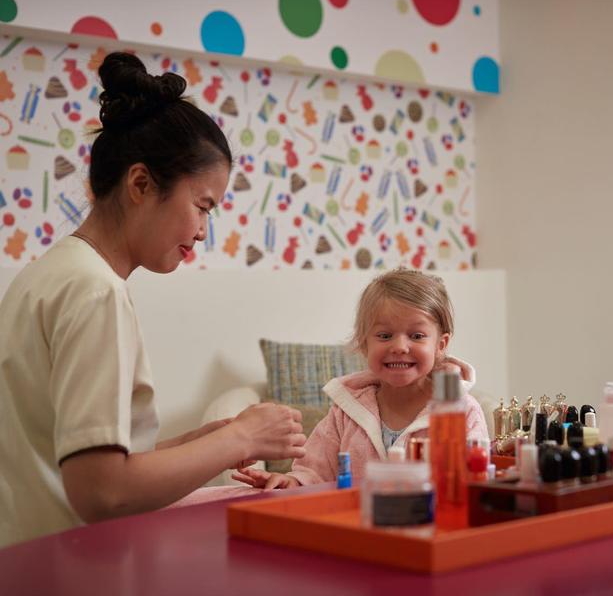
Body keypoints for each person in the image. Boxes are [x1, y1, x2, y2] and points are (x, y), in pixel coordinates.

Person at [0, 52, 306, 548]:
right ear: (140, 184)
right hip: (68, 570)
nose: (204, 232)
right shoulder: (95, 291)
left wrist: (202, 446)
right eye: (203, 206)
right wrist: (242, 438)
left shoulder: (45, 275)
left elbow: (72, 459)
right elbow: (101, 491)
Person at [233, 268, 489, 489]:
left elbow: (473, 477)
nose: (399, 346)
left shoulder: (462, 411)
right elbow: (315, 471)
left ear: (440, 344)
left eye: (417, 336)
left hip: (431, 527)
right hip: (357, 529)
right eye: (385, 336)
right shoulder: (346, 410)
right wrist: (293, 482)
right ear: (365, 343)